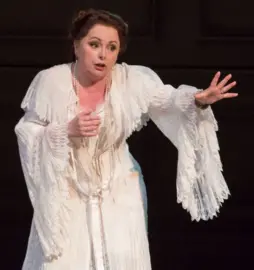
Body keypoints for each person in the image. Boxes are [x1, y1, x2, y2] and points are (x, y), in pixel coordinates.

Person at [15, 9, 237, 270]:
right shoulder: (51, 81)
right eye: (94, 44)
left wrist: (196, 100)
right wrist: (64, 131)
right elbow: (27, 131)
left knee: (122, 258)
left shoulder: (130, 80)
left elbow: (165, 100)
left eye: (112, 47)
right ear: (77, 46)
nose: (103, 54)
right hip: (69, 189)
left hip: (119, 188)